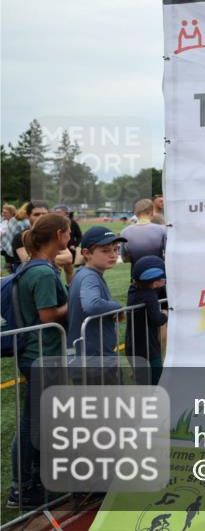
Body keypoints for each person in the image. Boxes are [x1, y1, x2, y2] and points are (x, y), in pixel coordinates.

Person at [6, 213, 71, 509]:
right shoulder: (43, 273)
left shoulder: (36, 267)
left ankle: (34, 481)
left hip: (38, 355)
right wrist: (74, 304)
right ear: (59, 235)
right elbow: (47, 316)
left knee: (40, 420)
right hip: (40, 356)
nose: (69, 236)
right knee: (31, 422)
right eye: (68, 231)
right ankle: (21, 490)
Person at [68, 227, 127, 370]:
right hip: (94, 359)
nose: (113, 255)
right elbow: (92, 305)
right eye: (106, 250)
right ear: (87, 253)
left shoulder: (85, 273)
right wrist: (117, 307)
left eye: (116, 249)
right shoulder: (89, 276)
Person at [125, 256, 169, 385]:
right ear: (155, 283)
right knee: (156, 379)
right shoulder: (149, 295)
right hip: (148, 348)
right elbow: (157, 319)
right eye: (164, 278)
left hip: (132, 346)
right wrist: (165, 314)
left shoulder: (134, 289)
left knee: (142, 382)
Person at [121, 199, 168, 268]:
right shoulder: (162, 229)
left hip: (136, 274)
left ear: (136, 213)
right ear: (151, 212)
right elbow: (168, 255)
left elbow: (124, 259)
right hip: (159, 272)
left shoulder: (125, 232)